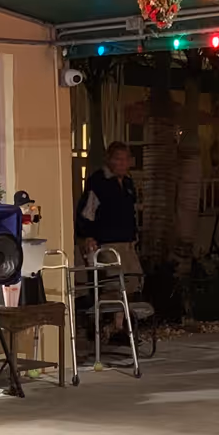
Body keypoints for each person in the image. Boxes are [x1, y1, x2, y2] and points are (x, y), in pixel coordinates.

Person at [76, 140, 141, 341]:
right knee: (113, 285)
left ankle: (119, 327)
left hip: (127, 242)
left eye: (125, 159)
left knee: (132, 283)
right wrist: (88, 236)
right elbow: (87, 211)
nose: (122, 163)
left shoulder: (128, 183)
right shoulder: (99, 181)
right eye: (118, 159)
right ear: (110, 160)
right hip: (108, 242)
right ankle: (98, 325)